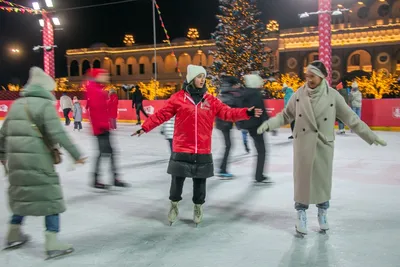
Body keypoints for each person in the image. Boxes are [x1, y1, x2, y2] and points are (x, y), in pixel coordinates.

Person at [257, 61, 387, 235]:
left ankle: (322, 212)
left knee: (322, 181)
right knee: (302, 181)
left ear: (322, 77)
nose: (308, 79)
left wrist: (371, 136)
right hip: (303, 144)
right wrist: (269, 124)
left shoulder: (333, 96)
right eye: (307, 76)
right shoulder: (298, 94)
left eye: (312, 76)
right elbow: (286, 115)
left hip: (323, 143)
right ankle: (301, 214)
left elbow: (351, 118)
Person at [132, 65, 262, 226]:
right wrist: (145, 127)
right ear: (191, 78)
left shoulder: (210, 100)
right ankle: (174, 205)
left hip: (202, 148)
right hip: (181, 147)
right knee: (177, 182)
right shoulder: (178, 98)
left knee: (200, 183)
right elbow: (161, 114)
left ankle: (198, 207)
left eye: (204, 77)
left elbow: (227, 113)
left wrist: (246, 113)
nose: (202, 80)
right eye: (199, 76)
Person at [0, 67, 86, 259]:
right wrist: (75, 154)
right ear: (45, 89)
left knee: (22, 196)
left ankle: (13, 234)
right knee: (51, 199)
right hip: (38, 161)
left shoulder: (16, 105)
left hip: (16, 162)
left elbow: (2, 134)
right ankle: (52, 241)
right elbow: (57, 132)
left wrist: (2, 156)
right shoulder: (44, 106)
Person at [85, 69, 129, 189]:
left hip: (103, 126)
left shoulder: (99, 89)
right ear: (97, 76)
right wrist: (100, 127)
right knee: (103, 153)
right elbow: (94, 112)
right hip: (100, 128)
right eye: (103, 75)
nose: (106, 77)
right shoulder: (95, 90)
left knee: (109, 153)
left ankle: (111, 178)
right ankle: (98, 179)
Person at [237, 74, 271, 184]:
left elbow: (238, 108)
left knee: (259, 150)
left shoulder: (243, 93)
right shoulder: (256, 94)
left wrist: (240, 123)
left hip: (247, 125)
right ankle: (259, 176)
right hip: (256, 126)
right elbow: (262, 111)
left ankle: (258, 175)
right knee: (262, 151)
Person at [215, 76, 242, 178]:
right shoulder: (231, 96)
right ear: (233, 85)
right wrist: (239, 125)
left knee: (228, 145)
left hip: (221, 123)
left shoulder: (222, 94)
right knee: (229, 146)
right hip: (225, 124)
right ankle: (222, 169)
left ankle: (222, 167)